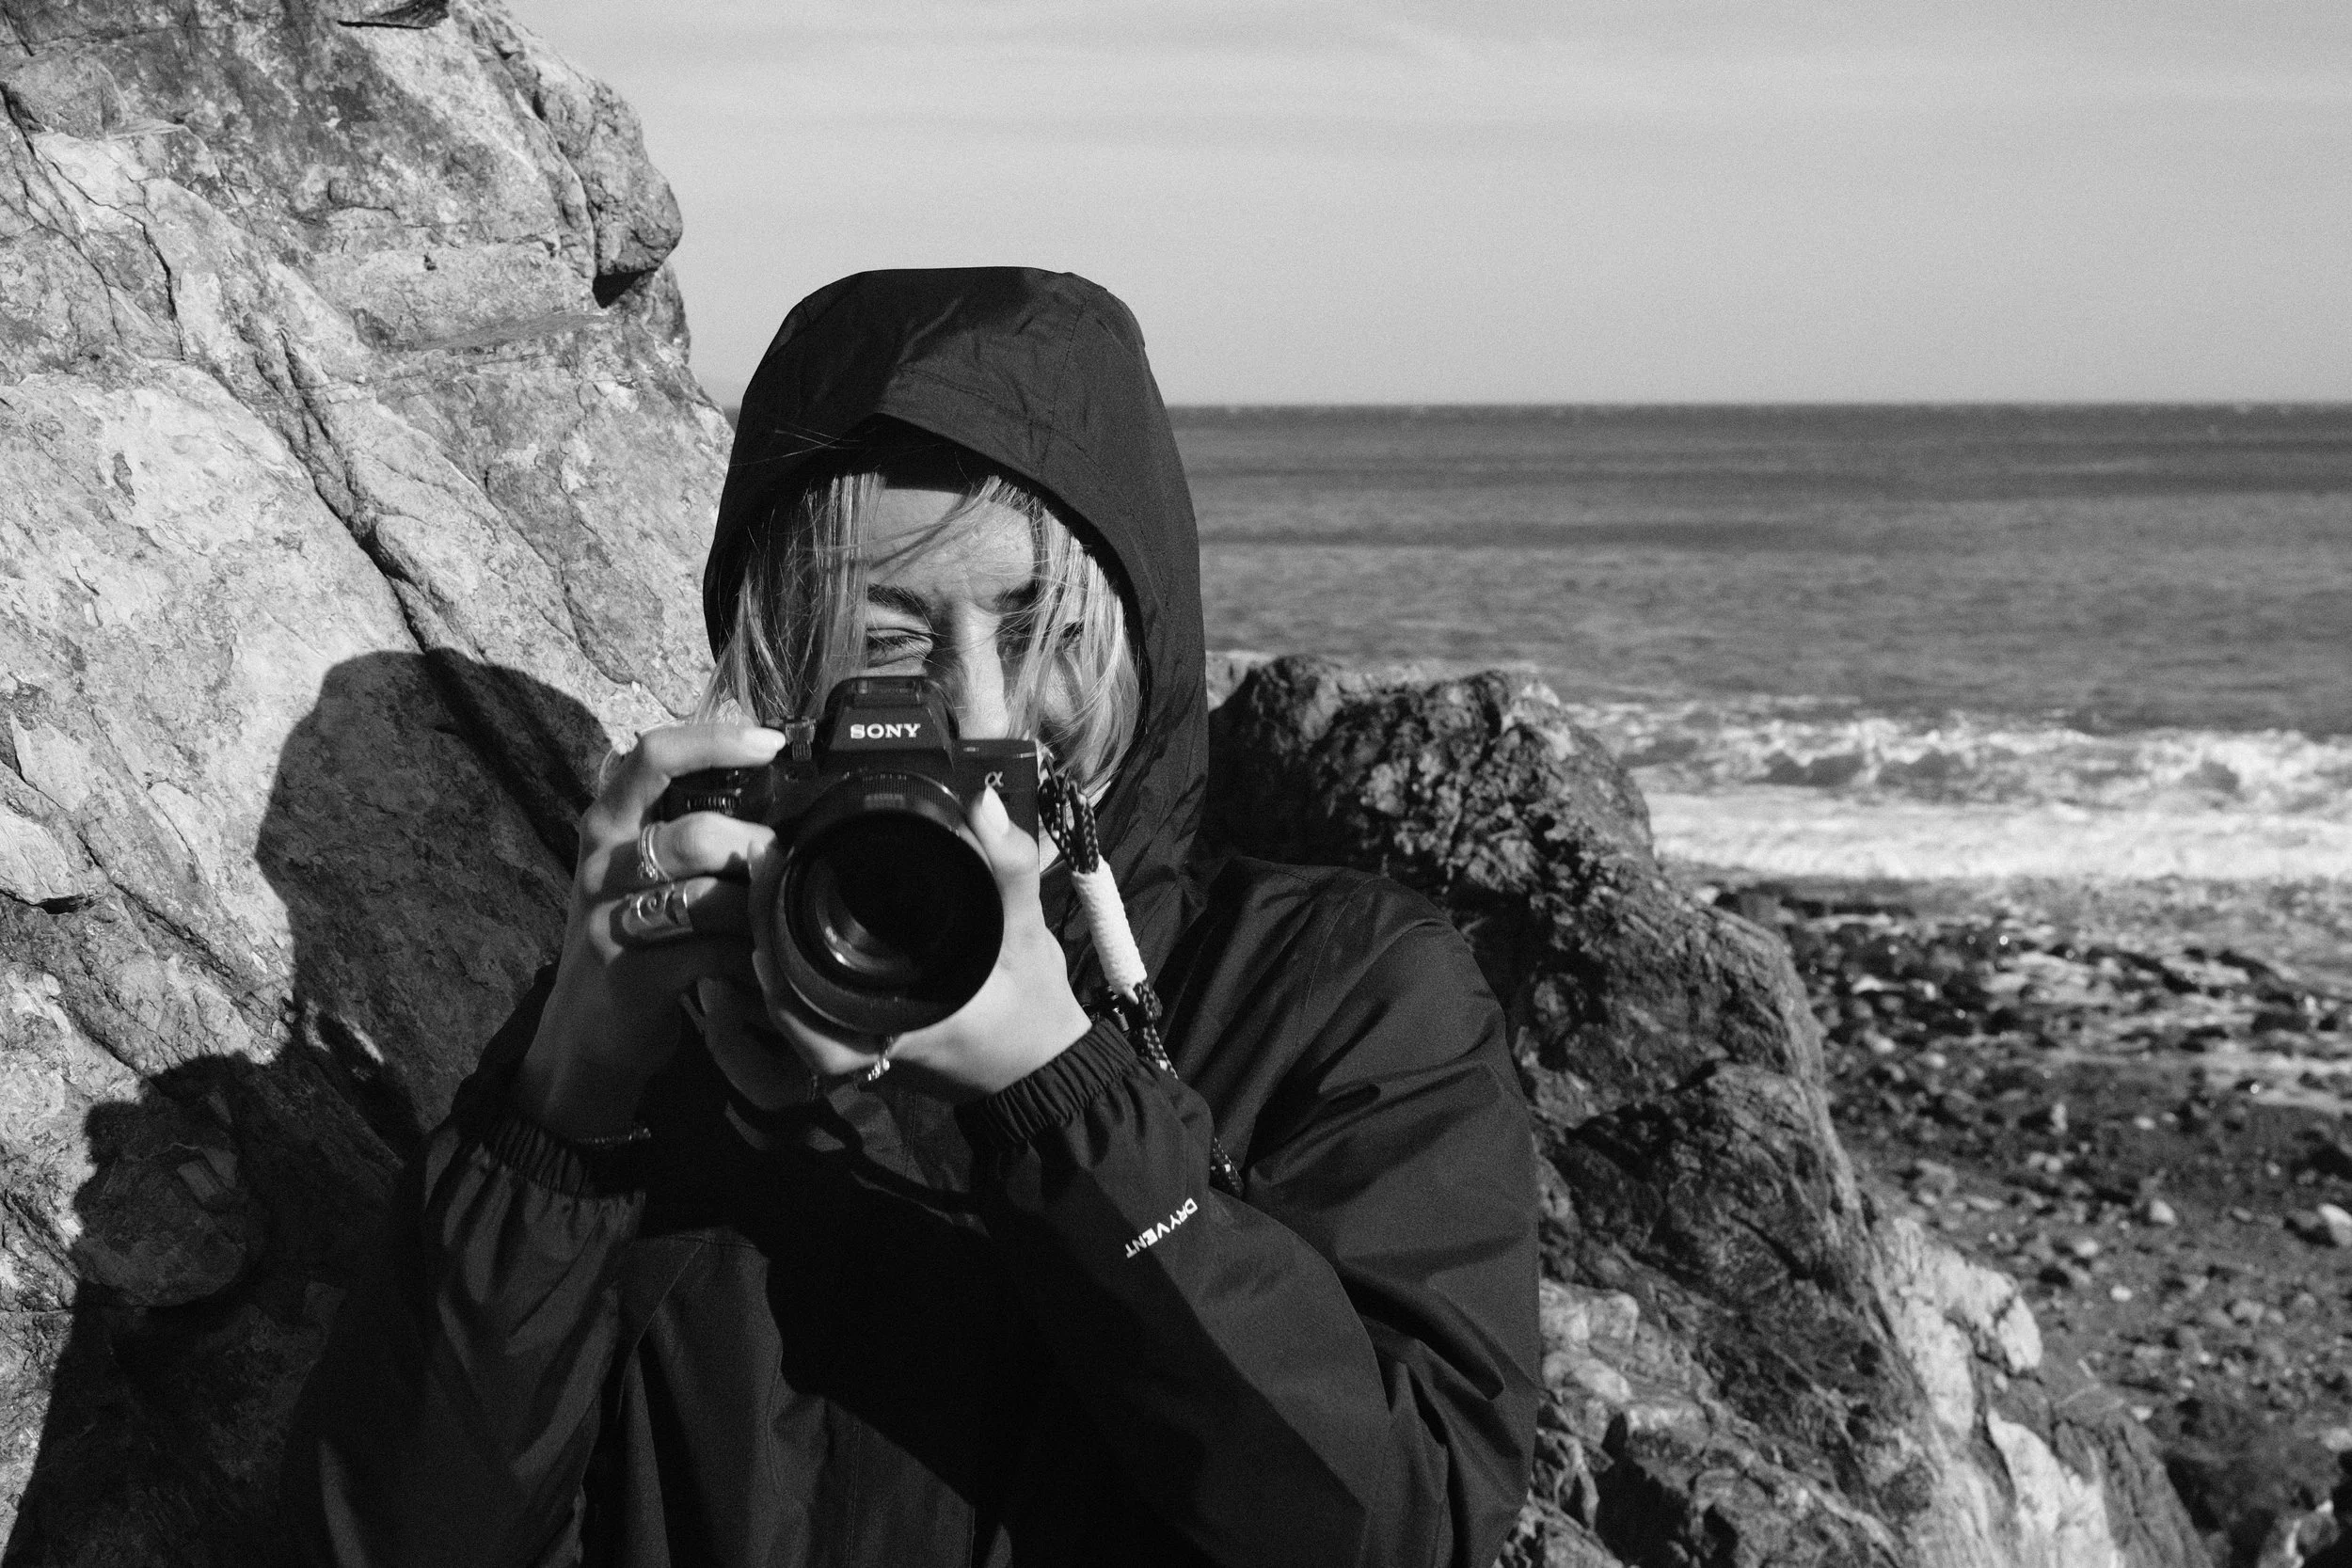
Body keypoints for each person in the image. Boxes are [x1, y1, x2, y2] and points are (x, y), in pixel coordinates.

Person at [282, 267, 1540, 1567]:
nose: (981, 710)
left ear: (1139, 637)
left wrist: (1067, 1091)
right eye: (887, 638)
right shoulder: (662, 1032)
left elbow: (1408, 1526)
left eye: (1037, 625)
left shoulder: (1336, 989)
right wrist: (556, 1114)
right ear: (781, 658)